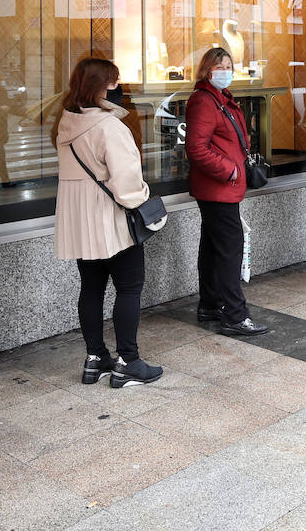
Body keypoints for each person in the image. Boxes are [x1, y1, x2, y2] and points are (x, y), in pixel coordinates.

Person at [54, 57, 163, 388]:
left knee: (91, 288)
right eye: (114, 82)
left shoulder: (66, 121)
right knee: (129, 287)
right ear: (100, 87)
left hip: (80, 220)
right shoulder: (109, 127)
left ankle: (95, 358)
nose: (119, 88)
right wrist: (144, 200)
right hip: (112, 220)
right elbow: (127, 183)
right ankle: (128, 362)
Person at [184, 47, 269, 336]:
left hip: (222, 188)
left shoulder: (220, 100)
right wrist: (229, 170)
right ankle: (234, 314)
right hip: (218, 186)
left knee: (212, 247)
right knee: (230, 249)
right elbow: (196, 148)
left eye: (230, 66)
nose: (227, 72)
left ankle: (210, 304)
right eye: (220, 67)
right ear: (208, 70)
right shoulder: (204, 102)